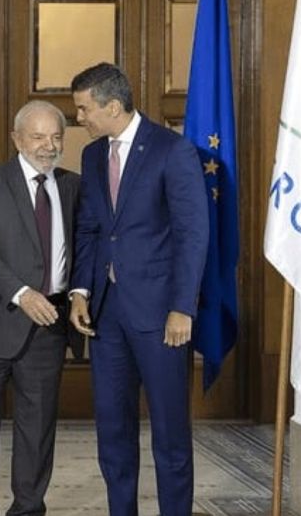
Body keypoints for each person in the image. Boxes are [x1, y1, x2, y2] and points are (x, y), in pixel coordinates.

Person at [67, 62, 208, 516]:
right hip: (107, 318)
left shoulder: (173, 151)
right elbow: (90, 230)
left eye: (84, 109)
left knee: (169, 435)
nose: (79, 118)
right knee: (113, 432)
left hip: (162, 318)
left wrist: (183, 307)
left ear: (112, 105)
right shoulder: (92, 156)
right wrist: (81, 293)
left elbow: (192, 234)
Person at [0, 100, 80, 515]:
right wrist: (23, 293)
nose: (48, 146)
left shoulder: (73, 185)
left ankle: (28, 509)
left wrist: (78, 292)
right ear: (17, 139)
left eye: (56, 137)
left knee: (37, 430)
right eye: (38, 136)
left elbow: (86, 247)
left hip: (49, 327)